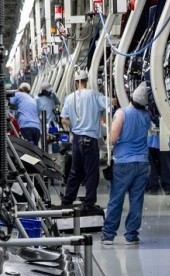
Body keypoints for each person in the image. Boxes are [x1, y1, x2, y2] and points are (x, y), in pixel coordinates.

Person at [101, 82, 151, 245]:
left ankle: (108, 235)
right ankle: (131, 235)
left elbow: (112, 139)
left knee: (116, 199)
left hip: (123, 164)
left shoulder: (122, 113)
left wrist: (106, 134)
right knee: (137, 200)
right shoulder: (146, 115)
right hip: (142, 163)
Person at [60, 69, 109, 209]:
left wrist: (75, 124)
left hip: (76, 140)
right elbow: (110, 104)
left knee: (75, 171)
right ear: (86, 81)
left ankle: (67, 201)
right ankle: (89, 203)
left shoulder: (69, 98)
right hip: (90, 139)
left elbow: (63, 120)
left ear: (75, 82)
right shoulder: (94, 95)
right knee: (91, 173)